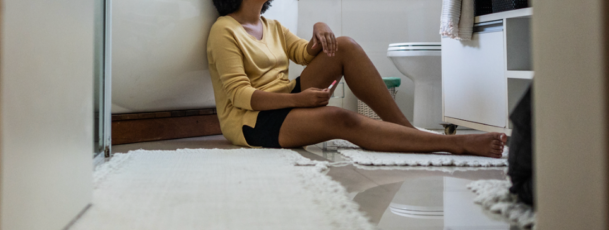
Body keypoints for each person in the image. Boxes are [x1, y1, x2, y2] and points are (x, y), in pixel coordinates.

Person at [207, 0, 507, 157]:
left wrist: (320, 27)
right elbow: (239, 95)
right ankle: (455, 145)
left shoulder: (270, 25)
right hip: (251, 120)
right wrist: (299, 100)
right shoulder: (224, 30)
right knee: (341, 119)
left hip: (286, 98)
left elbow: (305, 53)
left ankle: (405, 131)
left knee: (346, 45)